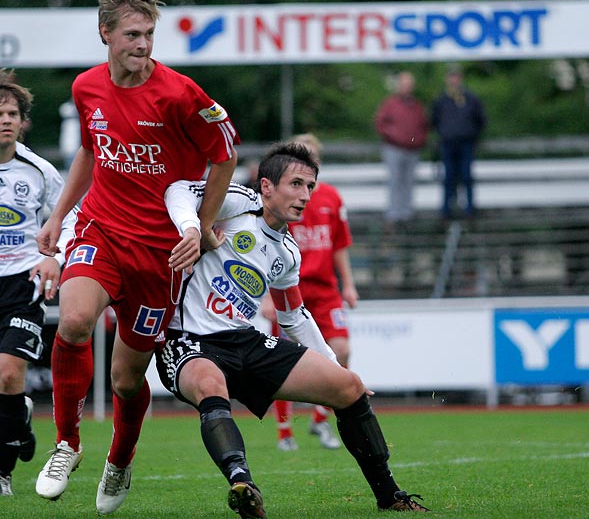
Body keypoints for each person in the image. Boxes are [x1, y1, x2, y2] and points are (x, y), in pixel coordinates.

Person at [34, 0, 239, 514]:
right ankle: (67, 445)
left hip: (160, 254)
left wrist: (201, 225)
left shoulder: (180, 93)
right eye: (131, 34)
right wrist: (59, 216)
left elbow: (225, 155)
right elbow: (89, 151)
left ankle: (120, 459)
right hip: (100, 229)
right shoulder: (86, 87)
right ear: (105, 34)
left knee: (126, 380)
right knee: (74, 321)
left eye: (148, 34)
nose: (142, 45)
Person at [157, 142, 429, 517]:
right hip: (188, 340)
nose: (305, 196)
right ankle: (242, 483)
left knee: (349, 388)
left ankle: (390, 495)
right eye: (296, 184)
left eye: (310, 187)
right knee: (209, 386)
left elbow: (293, 315)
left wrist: (336, 366)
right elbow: (179, 190)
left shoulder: (287, 251)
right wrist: (192, 229)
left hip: (243, 340)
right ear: (266, 186)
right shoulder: (238, 202)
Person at [0, 70, 76, 496]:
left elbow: (69, 221)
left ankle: (2, 473)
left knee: (9, 375)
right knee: (3, 387)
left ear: (23, 120)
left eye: (13, 113)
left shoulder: (40, 171)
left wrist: (55, 259)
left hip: (22, 282)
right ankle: (19, 422)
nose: (6, 120)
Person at [268, 133, 358, 452]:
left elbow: (339, 245)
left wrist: (347, 283)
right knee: (283, 358)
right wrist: (266, 293)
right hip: (289, 288)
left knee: (342, 351)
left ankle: (319, 420)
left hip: (325, 290)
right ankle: (283, 431)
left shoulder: (332, 198)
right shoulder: (281, 198)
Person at [431, 64, 487, 220]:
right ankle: (446, 210)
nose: (454, 80)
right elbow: (433, 120)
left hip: (466, 143)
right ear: (447, 79)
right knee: (448, 178)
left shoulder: (471, 98)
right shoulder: (441, 100)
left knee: (467, 176)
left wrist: (472, 135)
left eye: (456, 77)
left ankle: (469, 209)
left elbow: (481, 120)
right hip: (448, 143)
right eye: (451, 77)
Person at [374, 71, 429, 228]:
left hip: (412, 149)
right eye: (404, 84)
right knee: (395, 181)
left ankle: (407, 213)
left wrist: (419, 139)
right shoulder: (390, 103)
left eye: (409, 84)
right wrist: (393, 135)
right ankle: (393, 214)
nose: (407, 87)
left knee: (409, 181)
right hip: (394, 148)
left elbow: (423, 124)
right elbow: (380, 123)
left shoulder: (416, 104)